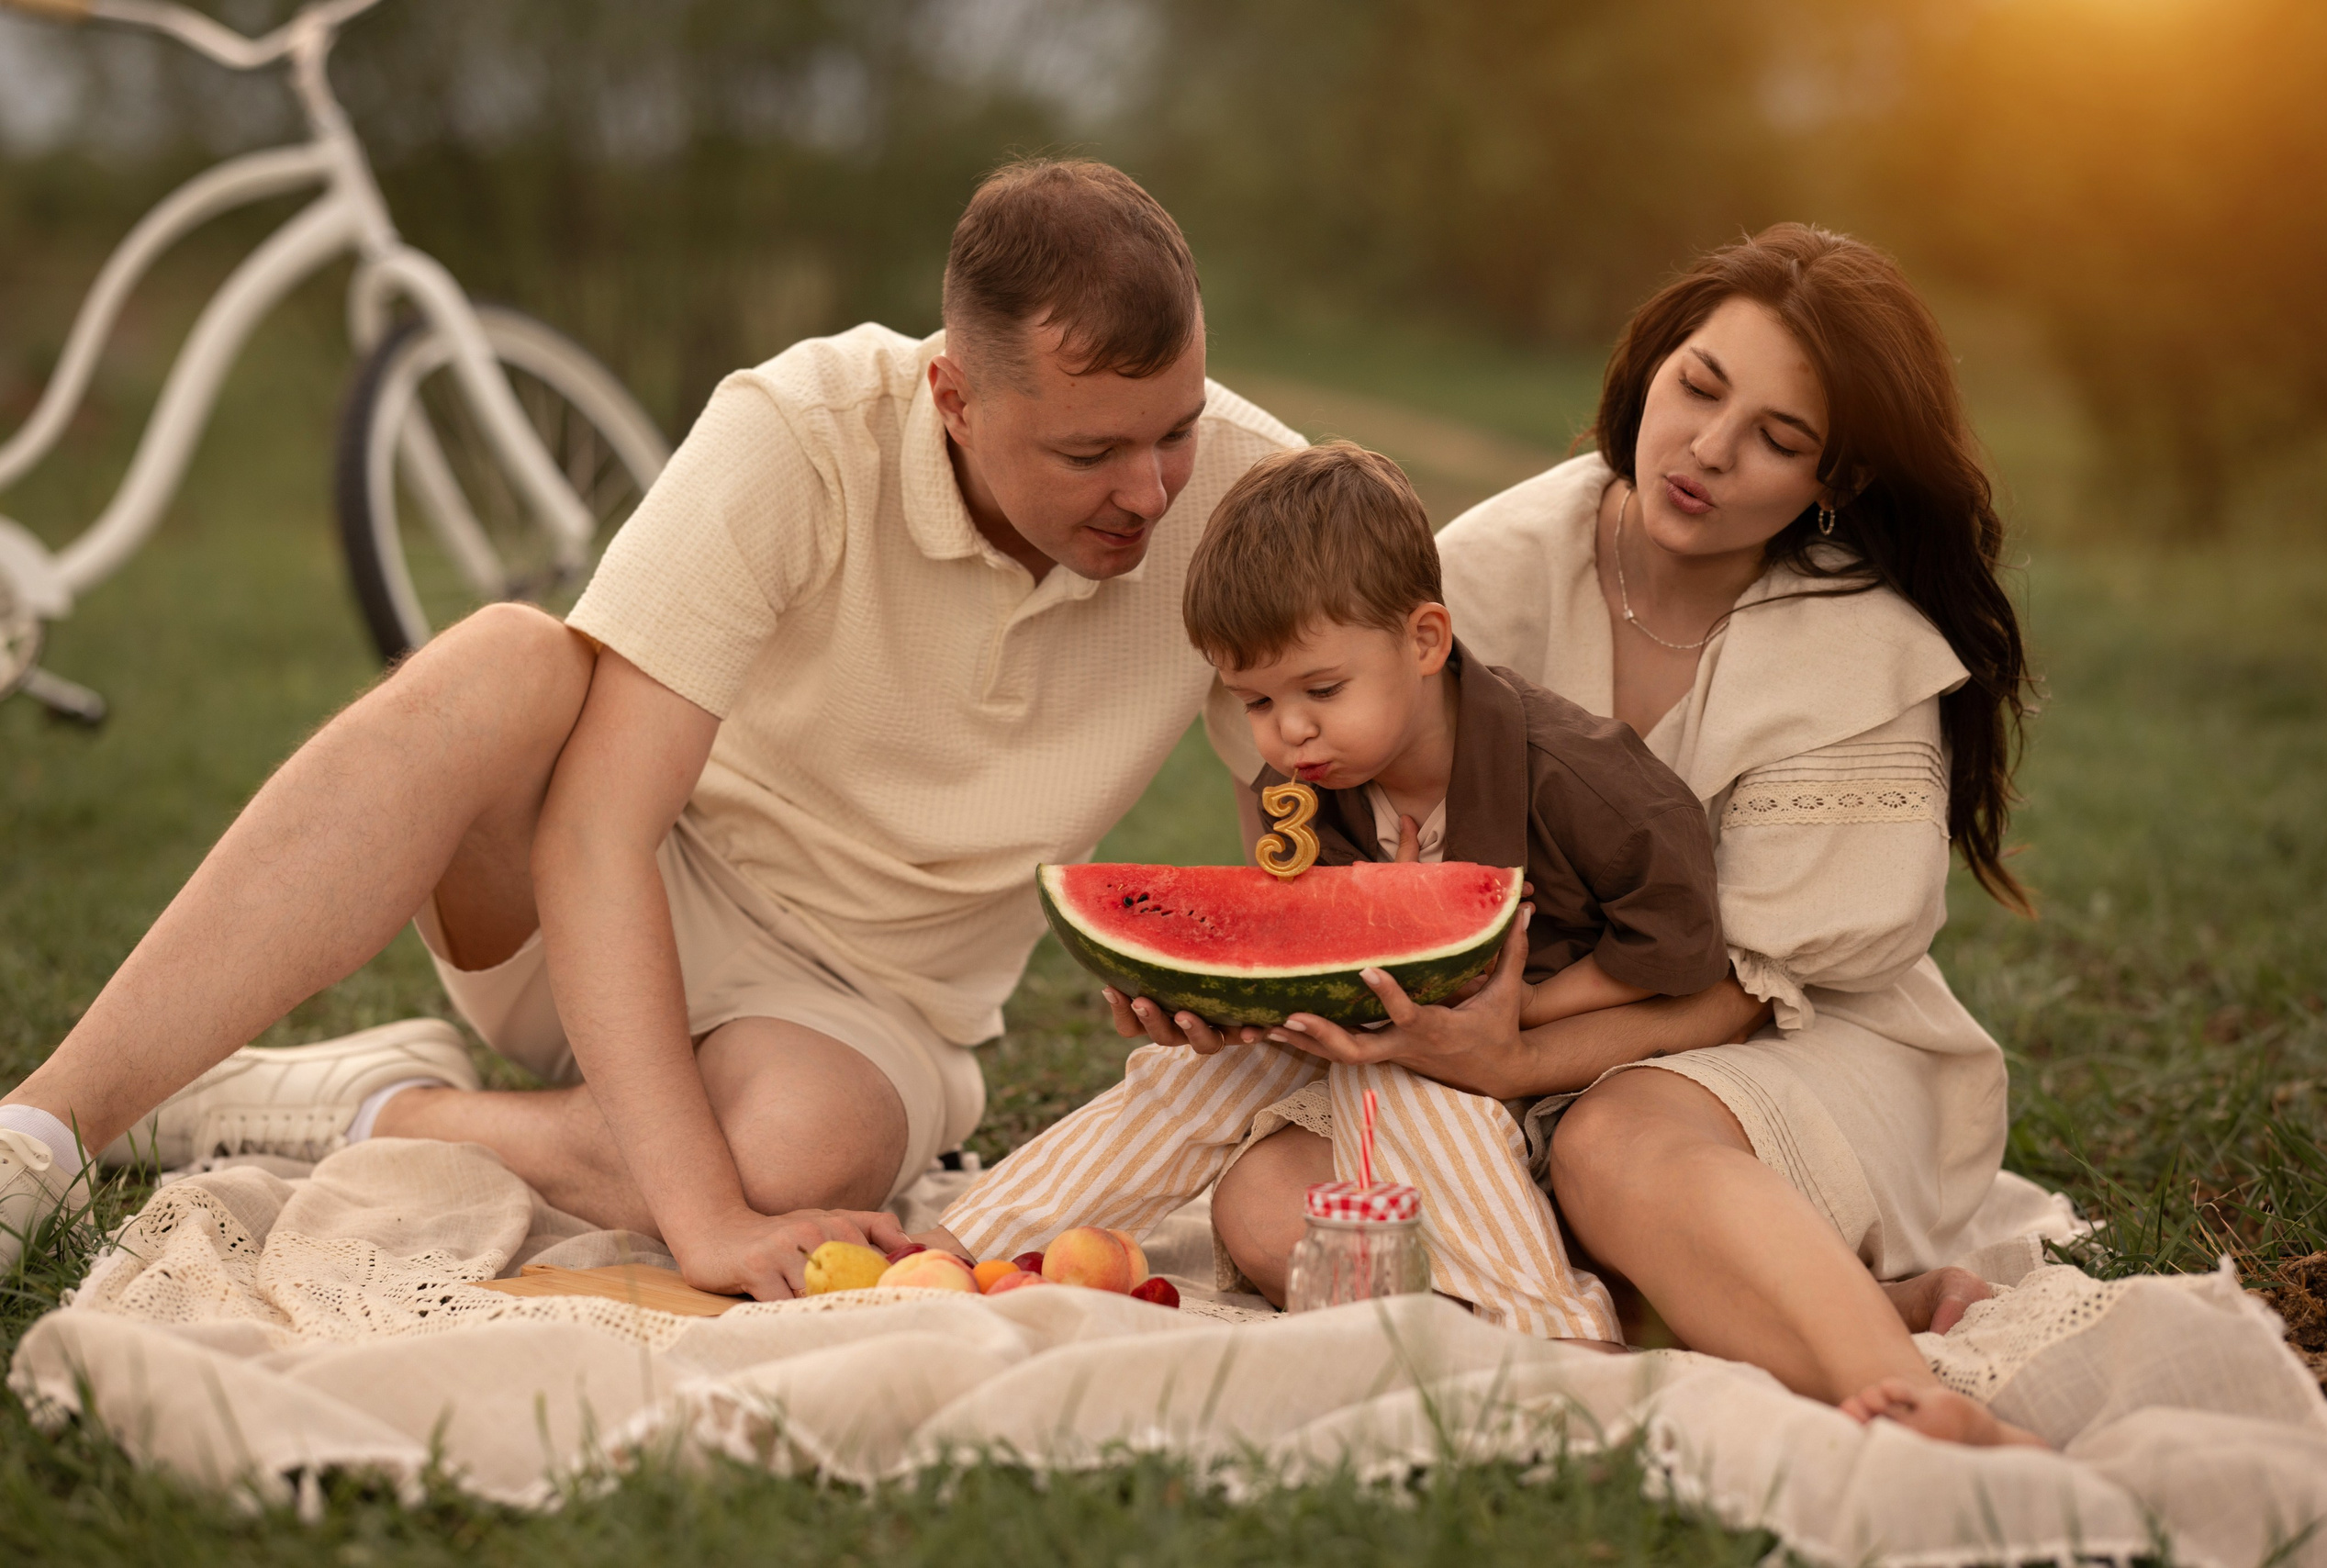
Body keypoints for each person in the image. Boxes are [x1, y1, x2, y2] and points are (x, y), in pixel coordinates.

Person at [0, 159, 1303, 1300]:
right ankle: (40, 1131)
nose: (1149, 490)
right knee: (509, 655)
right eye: (1091, 455)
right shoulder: (796, 434)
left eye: (1176, 431)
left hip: (869, 1011)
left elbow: (1305, 813)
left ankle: (371, 1106)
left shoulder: (1251, 498)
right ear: (954, 395)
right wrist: (704, 1223)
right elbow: (597, 828)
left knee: (791, 1156)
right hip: (613, 893)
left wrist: (1263, 969)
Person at [1192, 225, 2045, 1446]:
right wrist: (1265, 966)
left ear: (1834, 482)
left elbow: (1746, 989)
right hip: (1487, 1025)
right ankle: (1651, 1313)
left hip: (1795, 1036)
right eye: (1700, 387)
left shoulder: (1858, 652)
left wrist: (1512, 1055)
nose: (1709, 449)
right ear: (1652, 367)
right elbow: (1295, 779)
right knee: (1278, 1201)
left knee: (1613, 1136)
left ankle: (1910, 1398)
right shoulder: (1481, 572)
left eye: (1779, 438)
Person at [925, 441, 1727, 1338]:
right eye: (1255, 702)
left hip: (1541, 1080)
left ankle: (1552, 1330)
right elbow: (1318, 957)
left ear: (1424, 640)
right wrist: (1208, 1000)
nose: (1289, 731)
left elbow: (1680, 948)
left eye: (1320, 687)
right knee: (1185, 1076)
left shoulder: (1582, 777)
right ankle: (954, 1254)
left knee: (1419, 1091)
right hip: (1368, 1035)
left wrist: (1516, 1014)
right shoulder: (1303, 788)